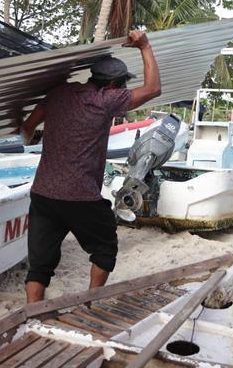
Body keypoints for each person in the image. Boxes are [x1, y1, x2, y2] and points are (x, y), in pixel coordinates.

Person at [19, 30, 161, 303]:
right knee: (105, 249)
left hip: (44, 193)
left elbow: (26, 130)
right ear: (112, 87)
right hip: (80, 196)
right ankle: (91, 302)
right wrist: (144, 45)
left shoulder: (59, 91)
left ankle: (33, 314)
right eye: (121, 87)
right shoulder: (106, 100)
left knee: (39, 265)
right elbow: (154, 88)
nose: (122, 92)